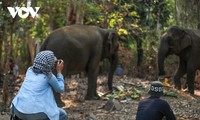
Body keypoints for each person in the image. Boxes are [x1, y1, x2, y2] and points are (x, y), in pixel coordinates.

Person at [10, 50, 67, 120]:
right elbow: (60, 89)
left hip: (17, 109)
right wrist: (59, 72)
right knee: (62, 114)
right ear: (49, 64)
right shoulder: (49, 76)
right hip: (36, 113)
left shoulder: (29, 70)